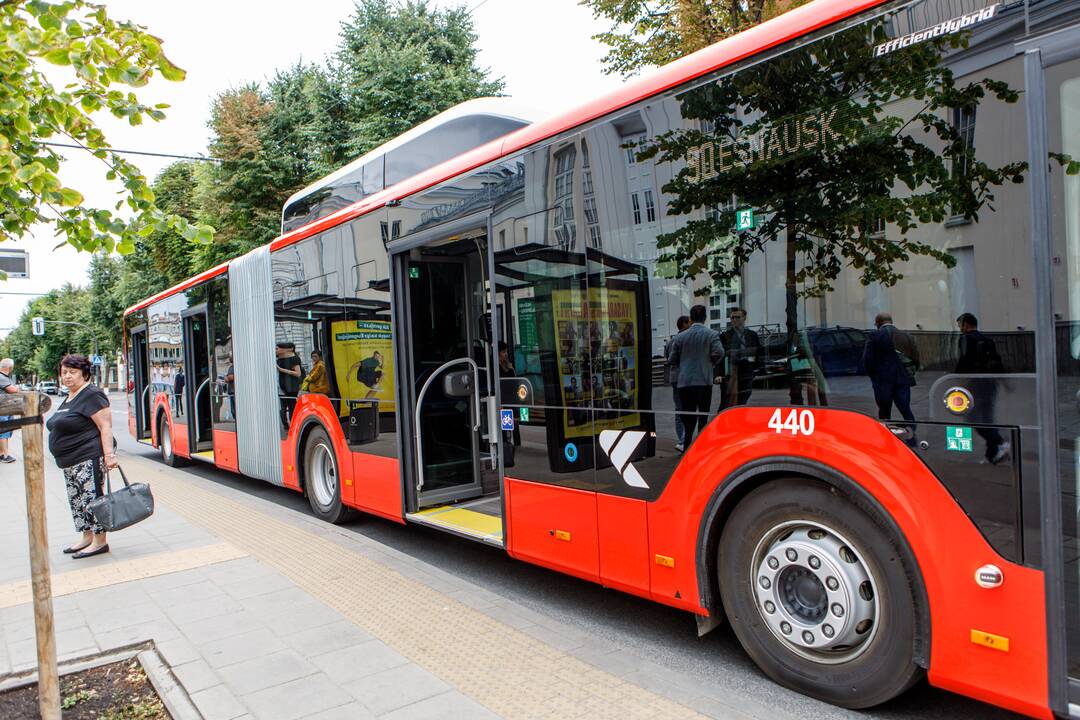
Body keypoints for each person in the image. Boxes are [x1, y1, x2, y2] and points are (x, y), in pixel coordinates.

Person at [46, 355, 117, 559]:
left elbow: (105, 426)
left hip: (88, 456)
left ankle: (100, 541)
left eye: (72, 372)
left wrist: (109, 455)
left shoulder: (91, 394)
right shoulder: (70, 396)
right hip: (70, 462)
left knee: (92, 499)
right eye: (64, 372)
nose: (67, 376)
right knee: (77, 501)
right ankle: (86, 537)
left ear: (84, 373)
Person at [667, 305, 724, 449]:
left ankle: (686, 445)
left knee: (688, 416)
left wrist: (683, 361)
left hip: (685, 382)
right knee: (703, 415)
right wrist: (711, 362)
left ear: (691, 318)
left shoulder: (680, 337)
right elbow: (720, 352)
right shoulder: (712, 334)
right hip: (704, 380)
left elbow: (672, 359)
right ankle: (701, 445)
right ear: (705, 318)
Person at [956, 313, 1009, 463]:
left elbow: (964, 360)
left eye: (960, 325)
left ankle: (1000, 442)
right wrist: (1004, 382)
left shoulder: (966, 338)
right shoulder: (987, 339)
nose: (960, 328)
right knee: (987, 417)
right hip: (990, 383)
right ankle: (991, 454)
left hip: (974, 383)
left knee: (972, 418)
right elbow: (997, 361)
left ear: (966, 324)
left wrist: (958, 379)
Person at [862, 312, 918, 422]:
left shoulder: (874, 336)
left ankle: (886, 435)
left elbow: (867, 359)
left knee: (884, 413)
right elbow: (916, 358)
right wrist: (909, 373)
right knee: (906, 410)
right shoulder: (907, 336)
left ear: (878, 323)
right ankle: (912, 432)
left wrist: (873, 376)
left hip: (882, 381)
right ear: (891, 321)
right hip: (902, 380)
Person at [718, 308, 760, 410]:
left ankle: (738, 418)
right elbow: (720, 356)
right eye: (732, 317)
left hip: (747, 371)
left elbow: (758, 352)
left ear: (744, 318)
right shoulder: (725, 335)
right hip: (732, 372)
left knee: (743, 398)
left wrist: (756, 369)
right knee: (727, 401)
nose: (734, 320)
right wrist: (719, 374)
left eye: (737, 317)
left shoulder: (752, 335)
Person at [665, 316, 690, 451]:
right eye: (689, 323)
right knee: (688, 410)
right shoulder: (685, 340)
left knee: (679, 409)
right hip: (686, 378)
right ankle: (684, 440)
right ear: (684, 324)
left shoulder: (671, 341)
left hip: (675, 378)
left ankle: (681, 440)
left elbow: (667, 358)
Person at [276, 342, 303, 426]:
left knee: (292, 407)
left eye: (278, 348)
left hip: (291, 387)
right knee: (284, 408)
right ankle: (287, 425)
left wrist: (282, 370)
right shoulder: (279, 359)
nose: (277, 350)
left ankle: (294, 425)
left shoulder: (294, 358)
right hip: (282, 388)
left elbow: (298, 373)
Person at [0, 358, 21, 463]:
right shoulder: (1, 377)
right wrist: (17, 388)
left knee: (5, 431)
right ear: (10, 367)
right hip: (2, 409)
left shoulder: (4, 377)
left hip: (5, 409)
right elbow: (12, 390)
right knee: (4, 431)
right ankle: (5, 455)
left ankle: (1, 454)